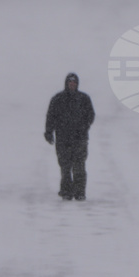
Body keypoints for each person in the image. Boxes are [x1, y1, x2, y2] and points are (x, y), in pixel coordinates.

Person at [44, 72, 95, 200]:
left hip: (79, 139)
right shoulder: (58, 99)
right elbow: (51, 117)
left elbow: (90, 115)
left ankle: (79, 192)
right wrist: (49, 132)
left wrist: (84, 127)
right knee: (65, 167)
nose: (72, 85)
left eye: (74, 83)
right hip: (63, 139)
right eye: (70, 82)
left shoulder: (84, 99)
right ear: (66, 83)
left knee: (79, 166)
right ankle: (66, 191)